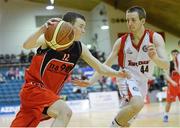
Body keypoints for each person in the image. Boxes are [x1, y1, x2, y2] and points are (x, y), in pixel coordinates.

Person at [10, 12, 129, 127]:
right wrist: (42, 29)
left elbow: (100, 67)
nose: (83, 30)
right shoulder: (50, 40)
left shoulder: (80, 48)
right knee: (65, 112)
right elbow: (26, 45)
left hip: (47, 95)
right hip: (34, 88)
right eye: (81, 26)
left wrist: (118, 73)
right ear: (68, 26)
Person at [72, 6, 169, 127]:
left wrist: (155, 58)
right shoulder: (121, 42)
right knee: (137, 104)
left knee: (125, 123)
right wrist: (91, 81)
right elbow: (105, 64)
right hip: (126, 78)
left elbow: (165, 64)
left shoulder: (155, 38)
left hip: (143, 82)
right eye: (127, 20)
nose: (129, 23)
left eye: (133, 20)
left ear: (143, 21)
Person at [163, 49, 180, 122]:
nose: (175, 56)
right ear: (171, 55)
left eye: (176, 54)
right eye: (174, 54)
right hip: (173, 85)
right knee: (169, 101)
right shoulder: (169, 64)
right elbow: (166, 75)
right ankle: (166, 115)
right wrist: (172, 82)